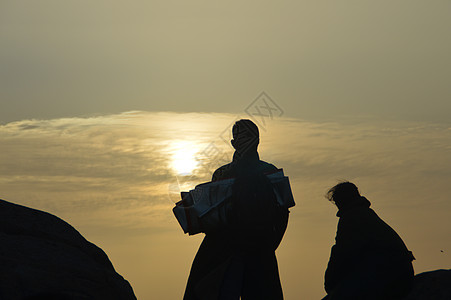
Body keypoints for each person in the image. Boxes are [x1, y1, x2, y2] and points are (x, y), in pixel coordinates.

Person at [183, 119, 290, 300]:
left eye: (248, 137)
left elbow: (283, 213)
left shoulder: (270, 173)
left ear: (257, 140)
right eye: (240, 138)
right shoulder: (224, 174)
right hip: (229, 253)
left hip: (253, 252)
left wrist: (269, 245)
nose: (244, 142)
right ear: (233, 143)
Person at [323, 182, 415, 300]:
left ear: (341, 201)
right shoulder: (367, 214)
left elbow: (341, 255)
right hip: (400, 273)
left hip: (387, 275)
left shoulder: (352, 218)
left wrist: (330, 284)